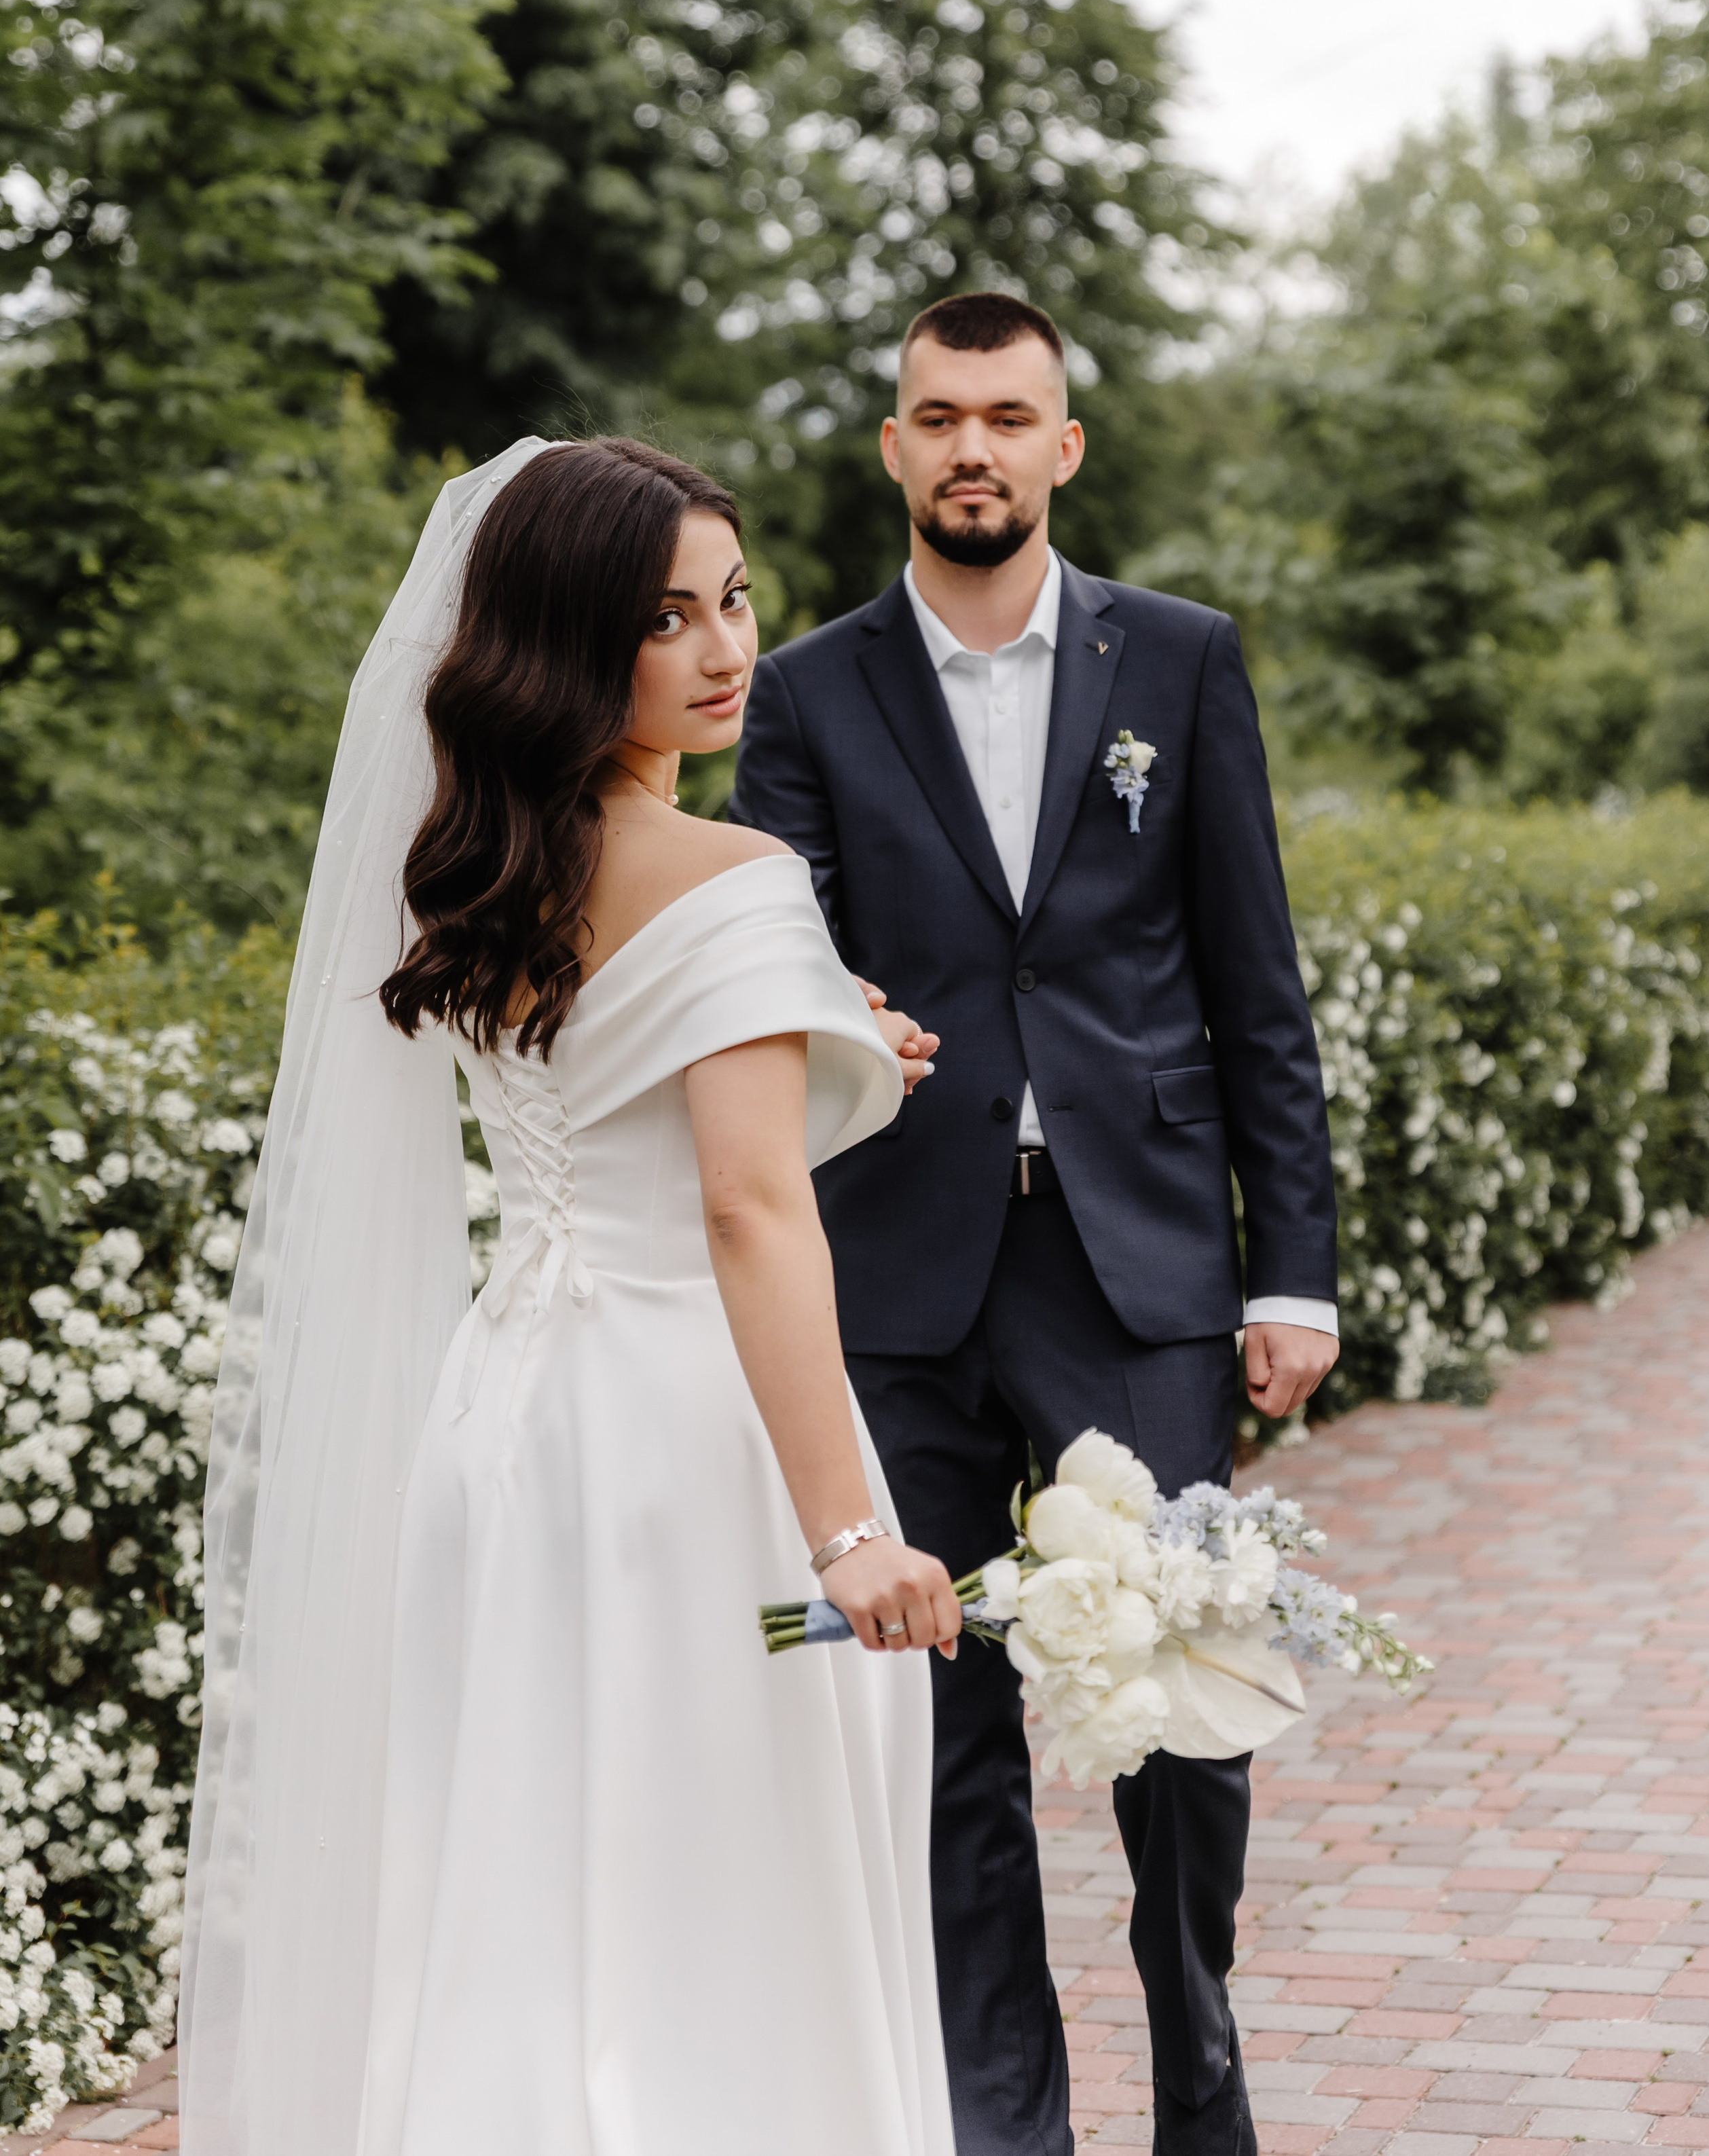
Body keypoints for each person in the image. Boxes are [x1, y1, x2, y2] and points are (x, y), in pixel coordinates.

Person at [180, 437, 961, 2156]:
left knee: (524, 1877)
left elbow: (603, 1117)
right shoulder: (736, 878)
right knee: (726, 1890)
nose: (721, 647)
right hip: (694, 1447)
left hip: (510, 1427)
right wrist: (847, 1542)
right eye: (660, 618)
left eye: (733, 598)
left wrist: (836, 1048)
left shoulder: (470, 869)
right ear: (561, 644)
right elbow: (745, 1210)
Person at [731, 292, 1341, 2156]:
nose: (973, 446)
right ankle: (1003, 2124)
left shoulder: (1179, 659)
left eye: (1010, 414)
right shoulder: (808, 691)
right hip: (897, 1267)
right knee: (936, 1733)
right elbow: (772, 954)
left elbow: (1256, 978)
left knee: (1188, 1707)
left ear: (1065, 446)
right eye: (939, 415)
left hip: (1139, 1258)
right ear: (896, 448)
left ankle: (1200, 2077)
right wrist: (846, 1016)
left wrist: (1289, 1262)